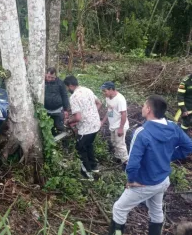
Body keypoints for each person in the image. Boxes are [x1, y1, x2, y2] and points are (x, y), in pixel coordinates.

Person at [109, 95, 192, 235]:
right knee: (156, 210)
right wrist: (168, 157)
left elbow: (133, 164)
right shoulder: (173, 127)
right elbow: (188, 146)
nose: (142, 107)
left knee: (119, 209)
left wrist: (131, 180)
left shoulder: (142, 133)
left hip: (145, 183)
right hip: (163, 180)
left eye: (143, 105)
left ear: (148, 109)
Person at [64, 75, 102, 181]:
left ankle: (87, 175)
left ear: (70, 85)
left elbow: (78, 117)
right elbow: (99, 103)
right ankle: (94, 167)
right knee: (88, 145)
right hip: (96, 124)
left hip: (86, 129)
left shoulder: (74, 97)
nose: (67, 90)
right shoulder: (87, 90)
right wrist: (92, 114)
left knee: (80, 149)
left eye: (67, 88)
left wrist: (68, 121)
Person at [100, 81, 129, 168]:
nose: (103, 93)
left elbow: (124, 114)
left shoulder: (120, 99)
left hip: (120, 126)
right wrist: (102, 122)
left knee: (120, 145)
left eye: (105, 91)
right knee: (114, 142)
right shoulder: (108, 98)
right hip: (113, 125)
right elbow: (109, 111)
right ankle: (118, 159)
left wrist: (121, 128)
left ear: (112, 89)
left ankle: (126, 163)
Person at [44, 68, 69, 152]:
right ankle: (52, 147)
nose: (50, 79)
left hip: (58, 110)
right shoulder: (42, 82)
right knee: (48, 129)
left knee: (60, 128)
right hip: (46, 111)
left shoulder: (60, 83)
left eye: (52, 77)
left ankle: (64, 148)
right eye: (49, 77)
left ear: (56, 76)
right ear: (45, 74)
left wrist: (66, 110)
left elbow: (64, 96)